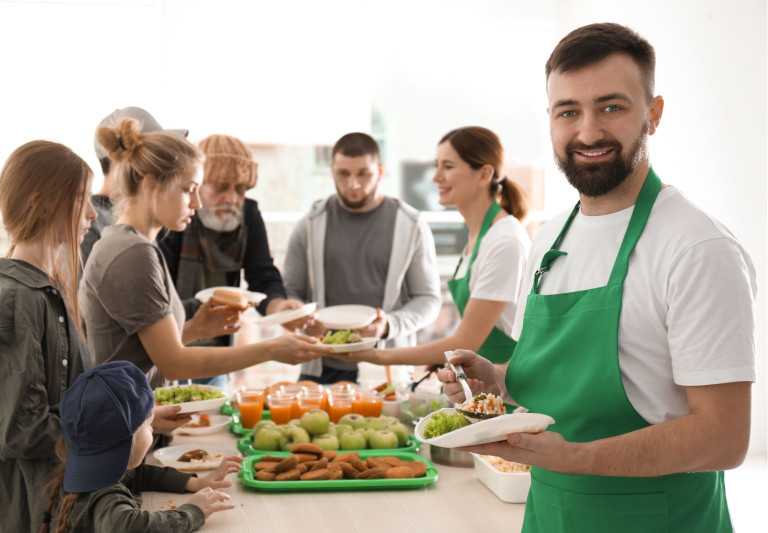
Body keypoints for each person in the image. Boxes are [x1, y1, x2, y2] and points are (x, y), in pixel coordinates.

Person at [438, 23, 756, 533]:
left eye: (611, 107)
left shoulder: (697, 249)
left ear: (653, 114)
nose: (587, 132)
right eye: (568, 112)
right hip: (549, 515)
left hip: (658, 520)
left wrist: (578, 459)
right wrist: (496, 380)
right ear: (550, 120)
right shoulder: (547, 241)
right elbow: (563, 393)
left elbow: (724, 437)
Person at [80, 118, 330, 387]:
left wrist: (198, 328)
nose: (196, 203)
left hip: (136, 407)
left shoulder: (134, 245)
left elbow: (141, 349)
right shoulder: (132, 253)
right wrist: (271, 350)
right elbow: (173, 362)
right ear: (151, 186)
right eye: (189, 191)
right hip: (123, 411)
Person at [0, 140, 96, 532]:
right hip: (20, 515)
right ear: (45, 203)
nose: (92, 213)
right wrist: (112, 437)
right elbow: (16, 431)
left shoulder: (40, 290)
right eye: (82, 199)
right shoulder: (16, 301)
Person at [332, 127, 530, 374]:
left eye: (447, 167)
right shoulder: (479, 235)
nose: (435, 176)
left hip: (509, 388)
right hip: (483, 385)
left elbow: (465, 341)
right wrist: (440, 358)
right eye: (437, 165)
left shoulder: (505, 241)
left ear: (484, 175)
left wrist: (375, 355)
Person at [283, 132, 442, 384]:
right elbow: (290, 292)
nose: (353, 184)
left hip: (387, 366)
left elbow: (429, 299)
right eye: (343, 174)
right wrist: (302, 318)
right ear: (332, 170)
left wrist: (388, 325)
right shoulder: (309, 225)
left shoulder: (411, 224)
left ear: (380, 171)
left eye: (363, 173)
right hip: (320, 366)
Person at [158, 134, 310, 388]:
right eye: (221, 187)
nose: (232, 198)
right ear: (197, 185)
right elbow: (160, 300)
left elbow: (262, 274)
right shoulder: (175, 219)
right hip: (169, 346)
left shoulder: (248, 214)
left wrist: (278, 307)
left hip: (216, 352)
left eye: (240, 189)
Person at [40, 361, 241, 533]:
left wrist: (192, 483)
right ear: (128, 441)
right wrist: (192, 512)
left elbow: (139, 475)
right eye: (148, 423)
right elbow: (134, 527)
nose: (152, 430)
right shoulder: (107, 499)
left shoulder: (90, 477)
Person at [81, 106, 188, 264]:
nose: (163, 167)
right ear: (119, 160)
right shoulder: (88, 223)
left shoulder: (141, 217)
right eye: (151, 156)